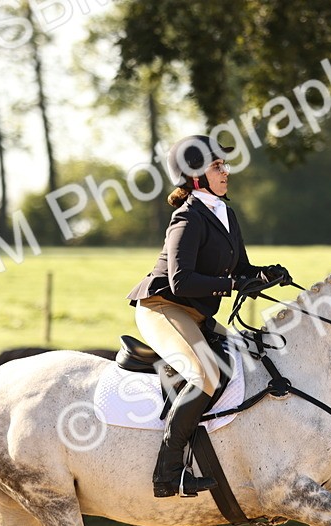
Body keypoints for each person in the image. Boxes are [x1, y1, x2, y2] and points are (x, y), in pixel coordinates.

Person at [127, 135, 292, 498]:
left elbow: (242, 269)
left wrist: (266, 274)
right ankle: (167, 473)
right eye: (217, 166)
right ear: (195, 175)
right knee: (207, 374)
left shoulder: (224, 213)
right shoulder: (186, 217)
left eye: (223, 165)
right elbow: (181, 281)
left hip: (196, 313)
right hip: (163, 308)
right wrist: (235, 283)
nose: (225, 172)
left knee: (249, 355)